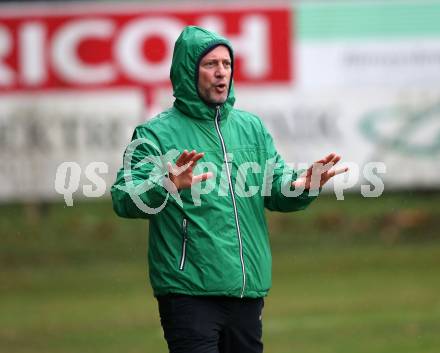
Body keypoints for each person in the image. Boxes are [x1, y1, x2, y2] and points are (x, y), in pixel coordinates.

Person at [111, 26, 348, 353]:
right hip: (188, 291)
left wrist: (300, 186)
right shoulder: (155, 134)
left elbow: (275, 186)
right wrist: (166, 185)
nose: (221, 72)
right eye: (210, 64)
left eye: (226, 63)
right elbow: (124, 196)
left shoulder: (251, 128)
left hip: (246, 291)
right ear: (187, 71)